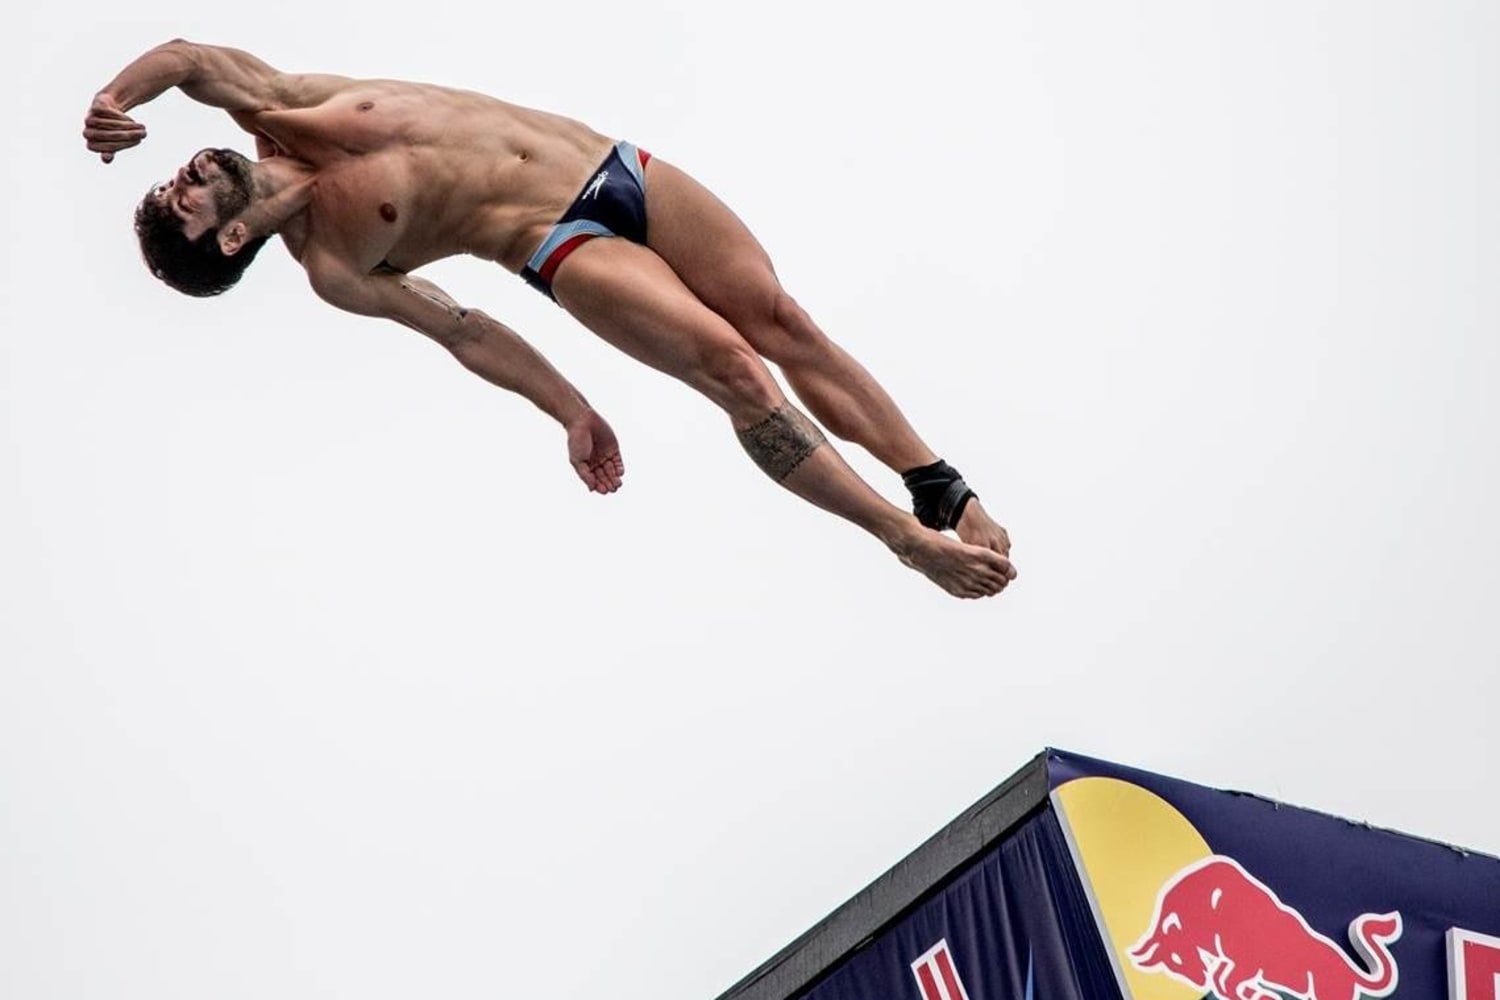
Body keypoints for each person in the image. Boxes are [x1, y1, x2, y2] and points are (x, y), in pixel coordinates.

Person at [84, 40, 1017, 599]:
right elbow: (464, 331)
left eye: (174, 178)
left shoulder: (281, 106)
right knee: (734, 370)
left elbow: (190, 60)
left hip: (610, 165)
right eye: (182, 205)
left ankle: (940, 491)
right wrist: (570, 407)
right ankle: (902, 541)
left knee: (782, 320)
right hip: (555, 241)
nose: (182, 178)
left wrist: (116, 99)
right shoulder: (336, 264)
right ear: (228, 244)